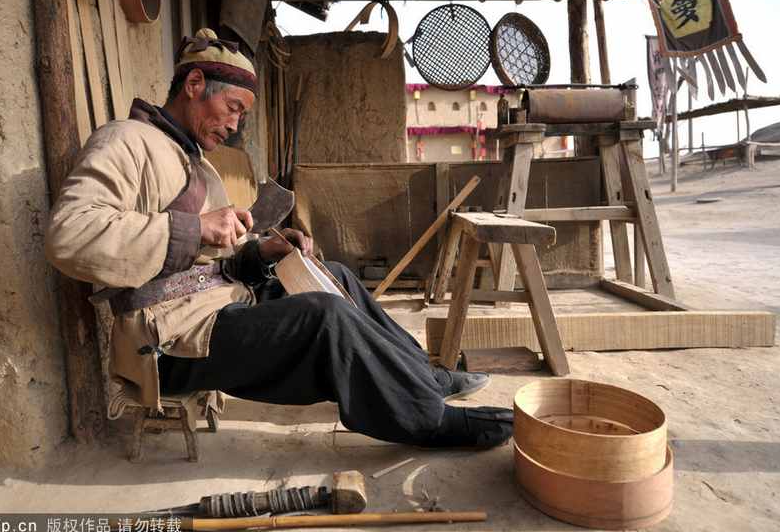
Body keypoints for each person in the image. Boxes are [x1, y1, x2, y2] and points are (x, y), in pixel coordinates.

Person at [45, 28, 513, 448]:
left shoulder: (191, 161)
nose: (234, 126)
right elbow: (69, 236)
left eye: (241, 116)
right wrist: (195, 227)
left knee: (339, 278)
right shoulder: (125, 141)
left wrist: (259, 254)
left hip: (216, 307)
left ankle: (422, 377)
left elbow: (209, 266)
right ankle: (426, 420)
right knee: (324, 316)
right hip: (169, 340)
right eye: (232, 109)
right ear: (193, 86)